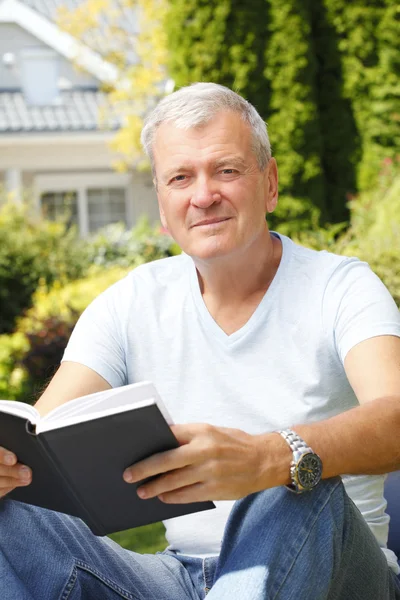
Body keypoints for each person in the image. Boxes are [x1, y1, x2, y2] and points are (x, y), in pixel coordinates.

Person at [1, 82, 400, 600]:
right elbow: (42, 440)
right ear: (164, 208)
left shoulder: (341, 286)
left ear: (270, 184)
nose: (203, 194)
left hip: (336, 573)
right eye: (180, 178)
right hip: (181, 580)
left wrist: (268, 456)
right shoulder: (131, 301)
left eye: (226, 170)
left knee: (293, 485)